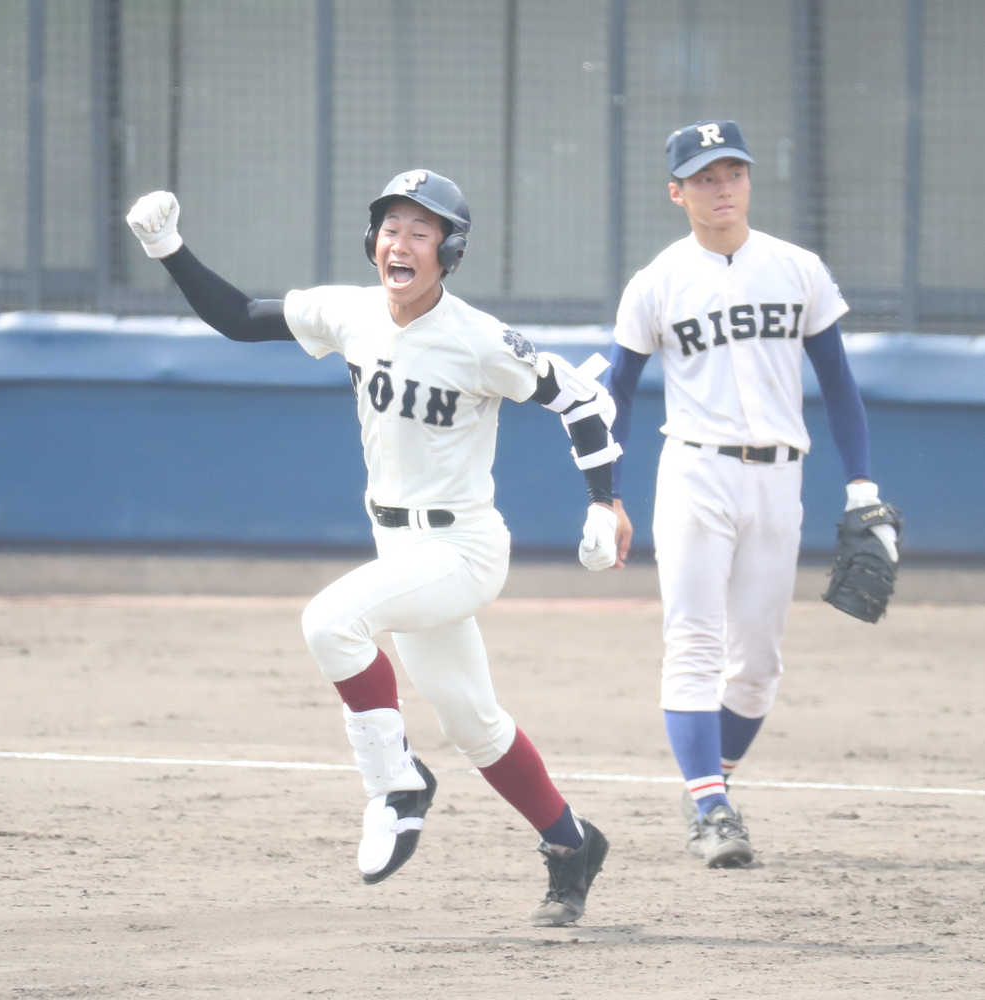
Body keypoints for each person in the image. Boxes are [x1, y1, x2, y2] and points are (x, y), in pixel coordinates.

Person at [126, 169, 619, 925]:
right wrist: (168, 248)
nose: (401, 242)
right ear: (371, 240)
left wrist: (603, 502)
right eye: (391, 227)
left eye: (421, 231)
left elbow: (580, 398)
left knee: (330, 621)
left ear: (449, 251)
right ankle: (571, 842)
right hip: (400, 549)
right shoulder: (351, 313)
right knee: (472, 724)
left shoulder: (480, 339)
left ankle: (396, 783)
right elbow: (239, 317)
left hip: (463, 551)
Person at [605, 121, 899, 867]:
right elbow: (619, 391)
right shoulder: (657, 281)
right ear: (677, 192)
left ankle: (714, 785)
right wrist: (601, 493)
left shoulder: (796, 268)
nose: (723, 186)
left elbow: (839, 386)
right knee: (695, 645)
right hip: (696, 474)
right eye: (704, 176)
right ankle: (710, 807)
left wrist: (861, 486)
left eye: (733, 170)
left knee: (759, 665)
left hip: (780, 477)